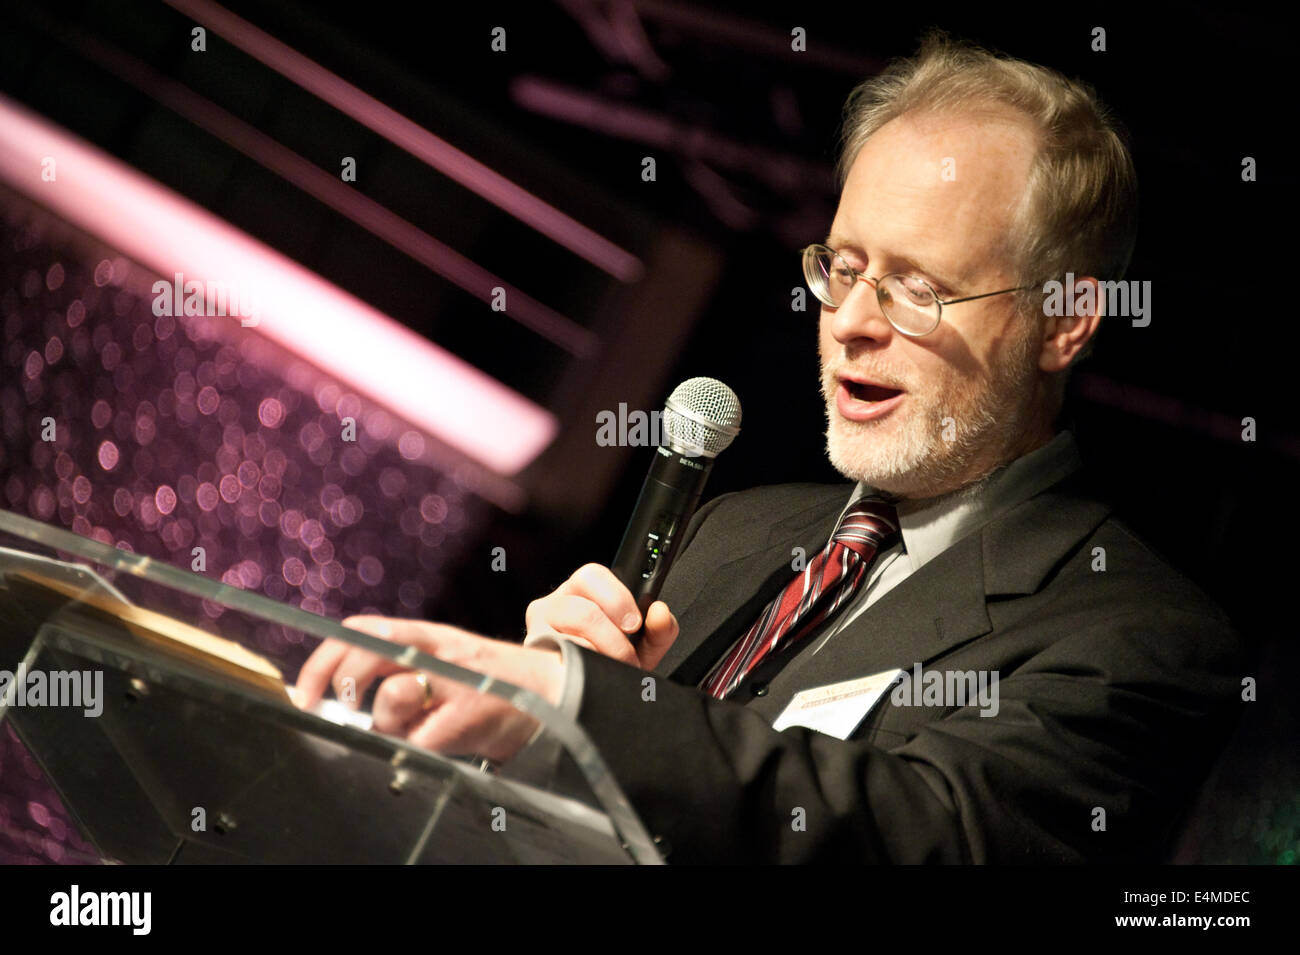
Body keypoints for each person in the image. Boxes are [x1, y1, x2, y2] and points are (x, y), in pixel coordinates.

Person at [294, 34, 1245, 863]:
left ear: (1065, 320)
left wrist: (585, 712)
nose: (853, 324)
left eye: (918, 287)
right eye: (844, 266)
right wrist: (519, 740)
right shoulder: (733, 532)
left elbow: (921, 834)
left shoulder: (1133, 637)